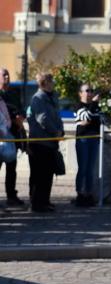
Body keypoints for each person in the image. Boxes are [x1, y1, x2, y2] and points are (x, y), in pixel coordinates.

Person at [27, 73, 64, 213]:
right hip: (40, 143)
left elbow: (57, 115)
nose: (53, 83)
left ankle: (45, 201)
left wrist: (61, 130)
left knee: (48, 174)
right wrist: (55, 132)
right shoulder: (38, 98)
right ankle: (37, 204)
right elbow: (42, 119)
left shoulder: (52, 97)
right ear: (45, 83)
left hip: (50, 143)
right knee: (39, 175)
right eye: (51, 80)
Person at [0, 68, 26, 207]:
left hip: (13, 135)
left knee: (12, 168)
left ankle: (11, 196)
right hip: (0, 136)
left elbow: (22, 108)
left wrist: (20, 116)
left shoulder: (14, 92)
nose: (7, 77)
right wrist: (12, 116)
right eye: (4, 75)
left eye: (8, 74)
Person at [74, 83, 101, 207]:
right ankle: (80, 194)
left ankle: (88, 194)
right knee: (83, 168)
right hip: (83, 140)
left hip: (94, 140)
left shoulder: (95, 107)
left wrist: (88, 120)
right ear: (80, 93)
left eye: (92, 90)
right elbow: (87, 117)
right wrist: (93, 106)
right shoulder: (78, 105)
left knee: (90, 170)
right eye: (87, 90)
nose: (90, 93)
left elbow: (99, 119)